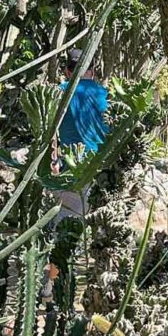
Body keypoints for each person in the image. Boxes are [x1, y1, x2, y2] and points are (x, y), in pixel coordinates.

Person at [52, 49, 110, 219]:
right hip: (102, 169)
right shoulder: (106, 94)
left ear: (67, 72)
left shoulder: (58, 93)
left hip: (71, 169)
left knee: (68, 229)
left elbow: (50, 132)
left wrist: (54, 161)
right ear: (92, 71)